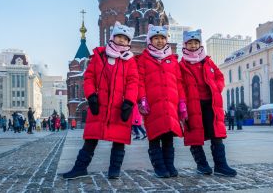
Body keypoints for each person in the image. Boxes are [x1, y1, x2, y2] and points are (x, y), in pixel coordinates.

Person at [63, 22, 138, 180]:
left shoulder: (129, 60)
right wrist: (91, 96)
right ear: (112, 37)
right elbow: (89, 77)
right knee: (90, 139)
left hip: (119, 106)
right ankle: (80, 168)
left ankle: (114, 170)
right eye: (118, 36)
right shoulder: (99, 55)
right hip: (99, 104)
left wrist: (129, 102)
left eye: (125, 38)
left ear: (128, 42)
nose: (121, 40)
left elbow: (133, 82)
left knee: (119, 141)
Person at [179, 29, 236, 177]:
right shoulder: (182, 65)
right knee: (194, 135)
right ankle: (202, 165)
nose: (193, 45)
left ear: (200, 44)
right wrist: (183, 104)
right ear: (185, 45)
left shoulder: (208, 61)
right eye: (190, 43)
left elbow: (219, 76)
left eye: (196, 42)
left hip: (210, 104)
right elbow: (179, 85)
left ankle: (221, 165)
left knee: (216, 135)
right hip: (193, 105)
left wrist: (216, 88)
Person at [137, 24, 186, 178]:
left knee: (168, 138)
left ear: (166, 40)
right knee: (155, 136)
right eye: (156, 38)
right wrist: (142, 99)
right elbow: (140, 81)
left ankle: (169, 165)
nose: (159, 41)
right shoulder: (144, 58)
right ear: (150, 40)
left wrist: (182, 102)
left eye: (162, 38)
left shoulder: (172, 60)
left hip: (170, 104)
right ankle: (159, 166)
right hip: (152, 104)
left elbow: (179, 82)